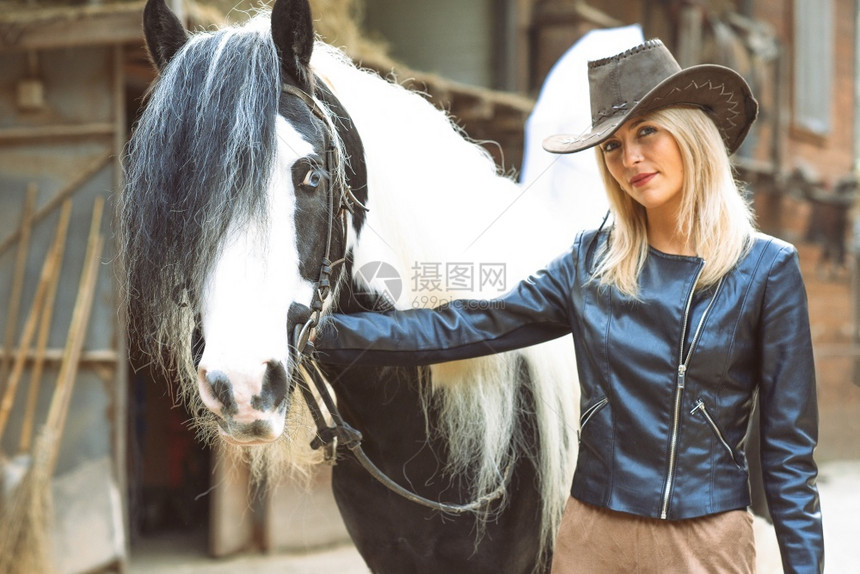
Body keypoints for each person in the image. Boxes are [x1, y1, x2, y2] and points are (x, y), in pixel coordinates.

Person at [313, 39, 823, 573]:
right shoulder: (590, 262)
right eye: (612, 145)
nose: (630, 158)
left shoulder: (767, 270)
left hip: (703, 540)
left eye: (647, 131)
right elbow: (468, 327)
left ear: (693, 131)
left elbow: (789, 455)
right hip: (590, 536)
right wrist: (323, 332)